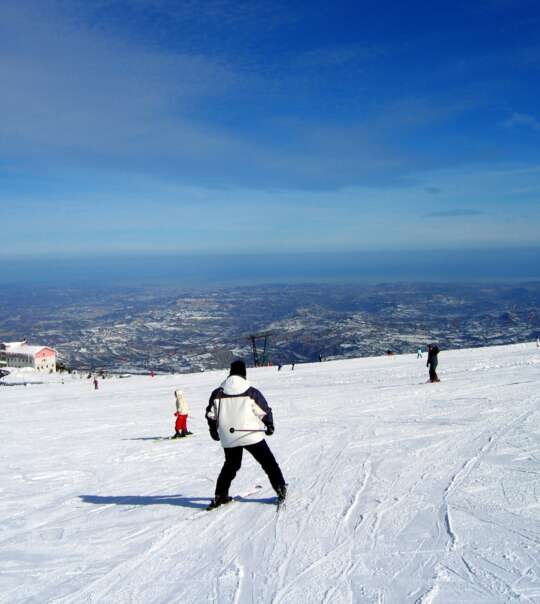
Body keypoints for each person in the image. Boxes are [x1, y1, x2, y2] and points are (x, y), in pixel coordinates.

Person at [205, 360, 287, 510]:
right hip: (251, 434)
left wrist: (213, 431)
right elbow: (264, 410)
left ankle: (220, 495)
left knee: (231, 465)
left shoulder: (218, 393)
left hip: (229, 436)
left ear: (230, 373)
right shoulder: (251, 391)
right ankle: (280, 488)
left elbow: (211, 415)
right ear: (244, 373)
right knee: (268, 462)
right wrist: (269, 425)